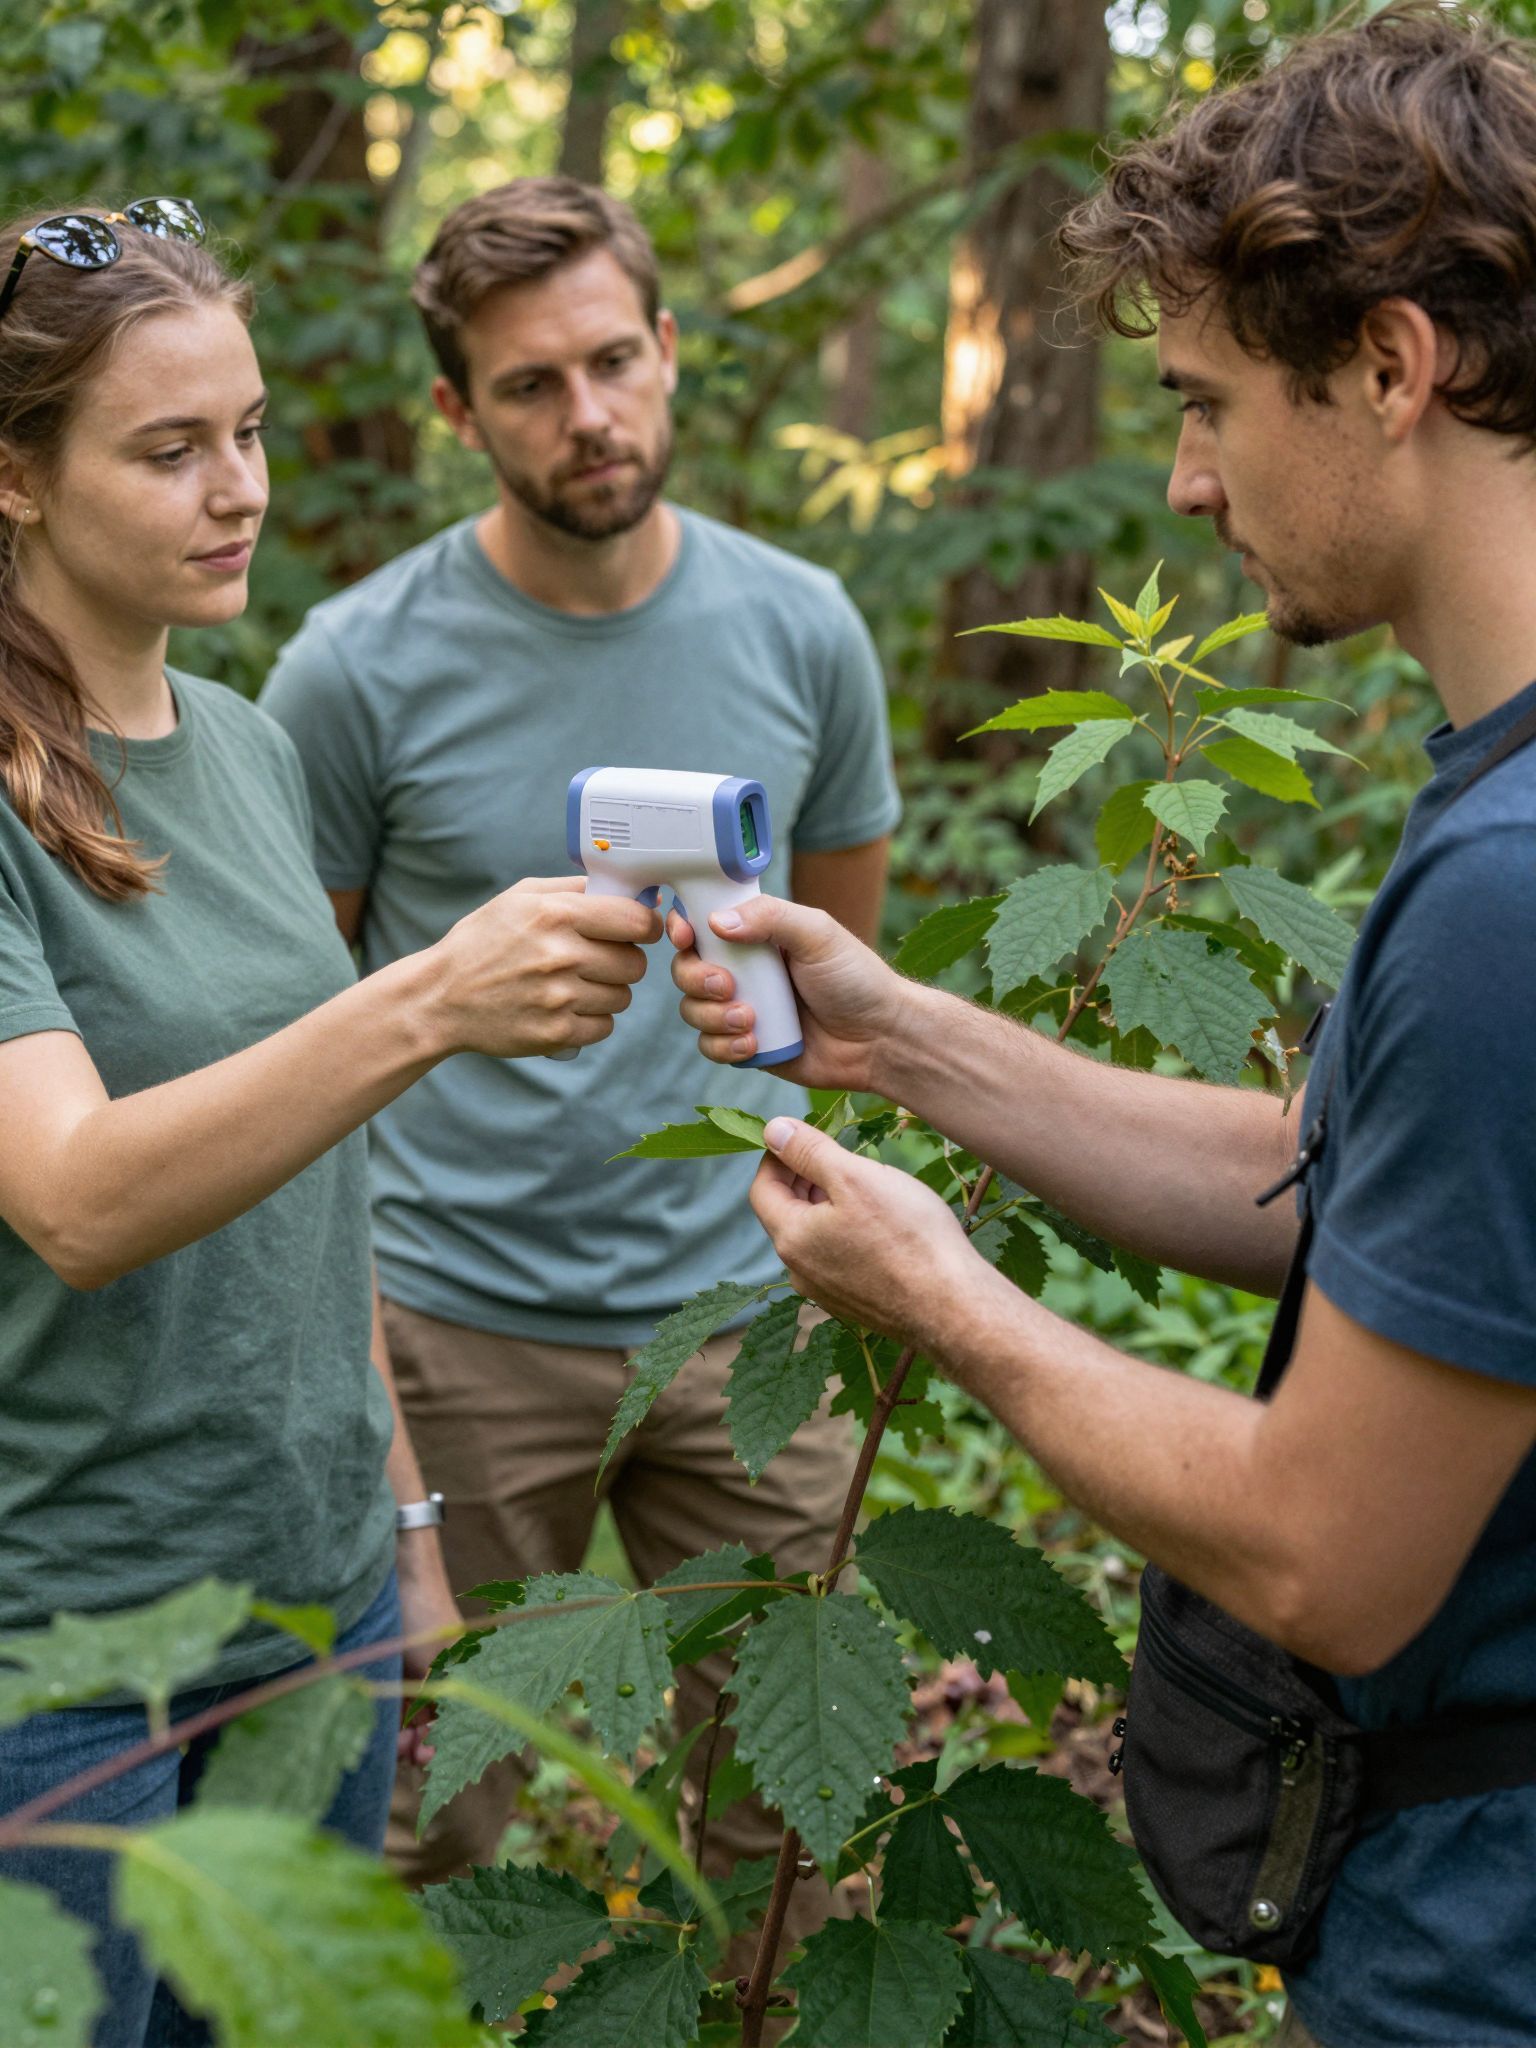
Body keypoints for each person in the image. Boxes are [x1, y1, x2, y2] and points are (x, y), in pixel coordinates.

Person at [669, 8, 1536, 2045]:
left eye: (1214, 402)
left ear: (1392, 369)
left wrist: (939, 1290)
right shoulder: (1491, 805)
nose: (1183, 474)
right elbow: (1345, 1197)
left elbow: (1329, 1557)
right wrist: (894, 1034)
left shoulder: (1507, 889)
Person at [0, 204, 657, 2048]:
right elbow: (68, 1195)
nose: (240, 490)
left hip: (315, 1617)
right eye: (169, 448)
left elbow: (315, 1176)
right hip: (68, 1645)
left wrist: (409, 1530)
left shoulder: (248, 743)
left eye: (255, 430)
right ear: (16, 480)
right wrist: (433, 997)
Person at [258, 175, 901, 1896]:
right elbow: (303, 1056)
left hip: (747, 1321)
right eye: (530, 386)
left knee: (796, 1836)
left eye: (613, 361)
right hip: (451, 1339)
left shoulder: (803, 630)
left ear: (671, 351)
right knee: (420, 1832)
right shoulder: (350, 671)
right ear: (458, 409)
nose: (589, 416)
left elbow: (851, 982)